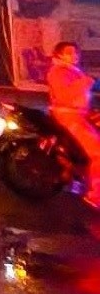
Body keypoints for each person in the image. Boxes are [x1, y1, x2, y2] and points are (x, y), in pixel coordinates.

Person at [46, 40, 100, 208]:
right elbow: (65, 96)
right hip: (69, 116)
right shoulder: (57, 73)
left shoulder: (73, 71)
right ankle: (95, 195)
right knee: (97, 152)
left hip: (81, 113)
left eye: (76, 52)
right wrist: (86, 82)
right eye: (69, 52)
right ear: (59, 55)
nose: (74, 55)